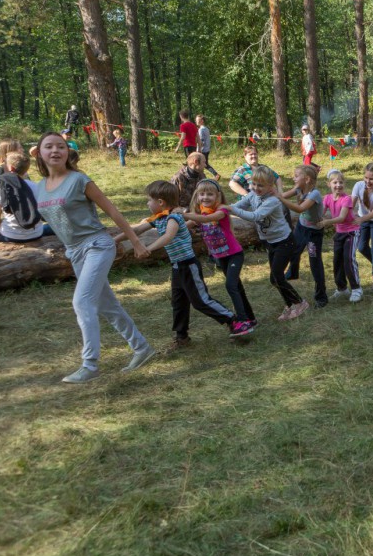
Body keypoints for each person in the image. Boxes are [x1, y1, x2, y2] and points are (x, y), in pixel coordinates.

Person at [31, 131, 155, 383]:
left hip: (97, 245)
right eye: (49, 147)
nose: (55, 151)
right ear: (40, 153)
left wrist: (136, 241)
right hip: (74, 251)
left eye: (60, 146)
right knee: (107, 306)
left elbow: (112, 211)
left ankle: (90, 364)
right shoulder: (39, 187)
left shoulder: (79, 180)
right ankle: (142, 348)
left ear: (68, 152)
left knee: (82, 302)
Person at [115, 181, 239, 344]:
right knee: (178, 301)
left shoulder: (173, 217)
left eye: (149, 200)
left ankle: (234, 321)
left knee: (200, 301)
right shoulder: (158, 218)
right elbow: (136, 230)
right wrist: (113, 240)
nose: (147, 203)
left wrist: (148, 249)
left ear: (160, 202)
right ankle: (181, 336)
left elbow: (168, 236)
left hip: (188, 265)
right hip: (177, 266)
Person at [225, 165, 308, 320]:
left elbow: (256, 216)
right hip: (270, 242)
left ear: (270, 186)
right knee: (274, 279)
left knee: (277, 275)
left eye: (261, 185)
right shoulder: (252, 195)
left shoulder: (273, 201)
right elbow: (239, 206)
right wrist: (225, 209)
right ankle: (290, 304)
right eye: (254, 184)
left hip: (284, 242)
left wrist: (231, 210)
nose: (256, 188)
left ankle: (299, 302)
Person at [179, 179, 256, 334]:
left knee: (231, 286)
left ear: (218, 196)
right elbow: (183, 228)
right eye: (202, 194)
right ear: (197, 196)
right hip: (220, 257)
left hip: (234, 255)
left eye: (210, 194)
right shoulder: (199, 213)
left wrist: (186, 214)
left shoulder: (221, 210)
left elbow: (207, 219)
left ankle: (242, 320)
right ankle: (250, 317)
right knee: (237, 287)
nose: (205, 197)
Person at [281, 165, 328, 307]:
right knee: (293, 250)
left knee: (315, 262)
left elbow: (300, 208)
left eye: (296, 175)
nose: (293, 177)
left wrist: (280, 199)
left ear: (306, 179)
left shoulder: (314, 194)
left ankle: (321, 297)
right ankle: (293, 272)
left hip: (314, 232)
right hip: (302, 227)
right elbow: (283, 196)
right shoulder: (298, 189)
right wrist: (271, 194)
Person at [319, 169, 363, 303]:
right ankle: (342, 288)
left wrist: (326, 222)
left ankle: (356, 289)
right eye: (335, 182)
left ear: (344, 184)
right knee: (337, 261)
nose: (338, 185)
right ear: (329, 184)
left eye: (341, 182)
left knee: (348, 259)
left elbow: (342, 217)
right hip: (339, 233)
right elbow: (319, 212)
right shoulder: (327, 198)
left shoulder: (347, 199)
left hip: (351, 232)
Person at [0, 150, 47, 243]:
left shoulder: (0, 187)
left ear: (11, 168)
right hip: (37, 234)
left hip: (10, 235)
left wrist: (1, 226)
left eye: (5, 163)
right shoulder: (36, 185)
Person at [195, 115, 220, 179]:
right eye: (196, 120)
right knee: (203, 164)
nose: (196, 121)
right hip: (206, 149)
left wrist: (198, 150)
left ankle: (216, 174)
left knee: (203, 164)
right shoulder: (206, 129)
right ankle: (200, 176)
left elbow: (201, 141)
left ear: (202, 121)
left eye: (198, 120)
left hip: (202, 150)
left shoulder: (201, 130)